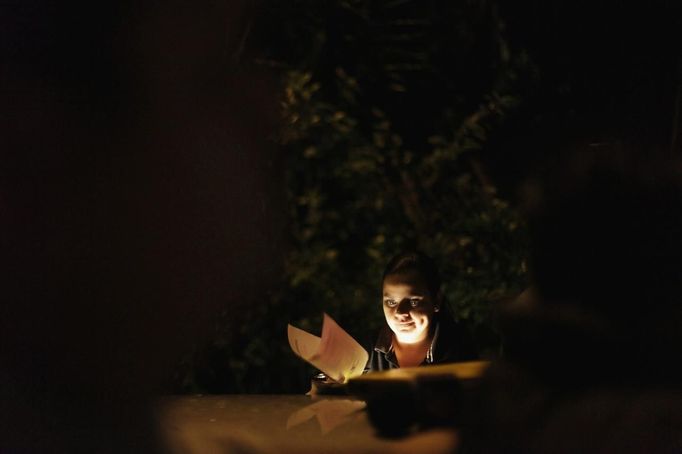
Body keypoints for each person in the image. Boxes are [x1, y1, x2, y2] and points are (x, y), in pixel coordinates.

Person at [365, 251, 478, 372]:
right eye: (391, 302)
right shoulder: (363, 352)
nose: (400, 312)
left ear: (436, 301)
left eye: (413, 302)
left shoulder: (460, 352)